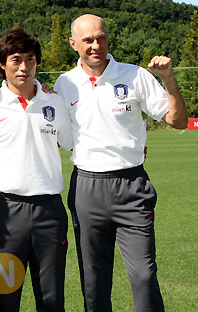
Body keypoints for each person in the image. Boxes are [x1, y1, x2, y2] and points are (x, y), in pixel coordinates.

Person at [53, 14, 188, 312]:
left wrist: (168, 79)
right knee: (93, 281)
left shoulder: (135, 76)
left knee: (143, 276)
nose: (95, 45)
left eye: (100, 37)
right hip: (87, 188)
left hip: (132, 187)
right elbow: (57, 135)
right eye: (87, 40)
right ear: (74, 43)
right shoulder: (65, 84)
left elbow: (177, 121)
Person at [0, 28, 72, 312]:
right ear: (2, 63)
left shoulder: (54, 101)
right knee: (4, 297)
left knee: (51, 299)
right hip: (7, 212)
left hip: (49, 212)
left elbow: (71, 141)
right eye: (16, 59)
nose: (24, 67)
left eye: (30, 59)